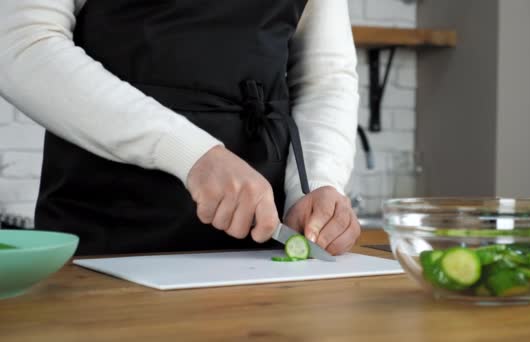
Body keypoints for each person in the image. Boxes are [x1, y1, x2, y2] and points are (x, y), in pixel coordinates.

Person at [0, 0, 360, 255]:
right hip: (110, 236)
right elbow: (23, 43)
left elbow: (325, 76)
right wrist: (192, 154)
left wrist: (316, 185)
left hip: (265, 249)